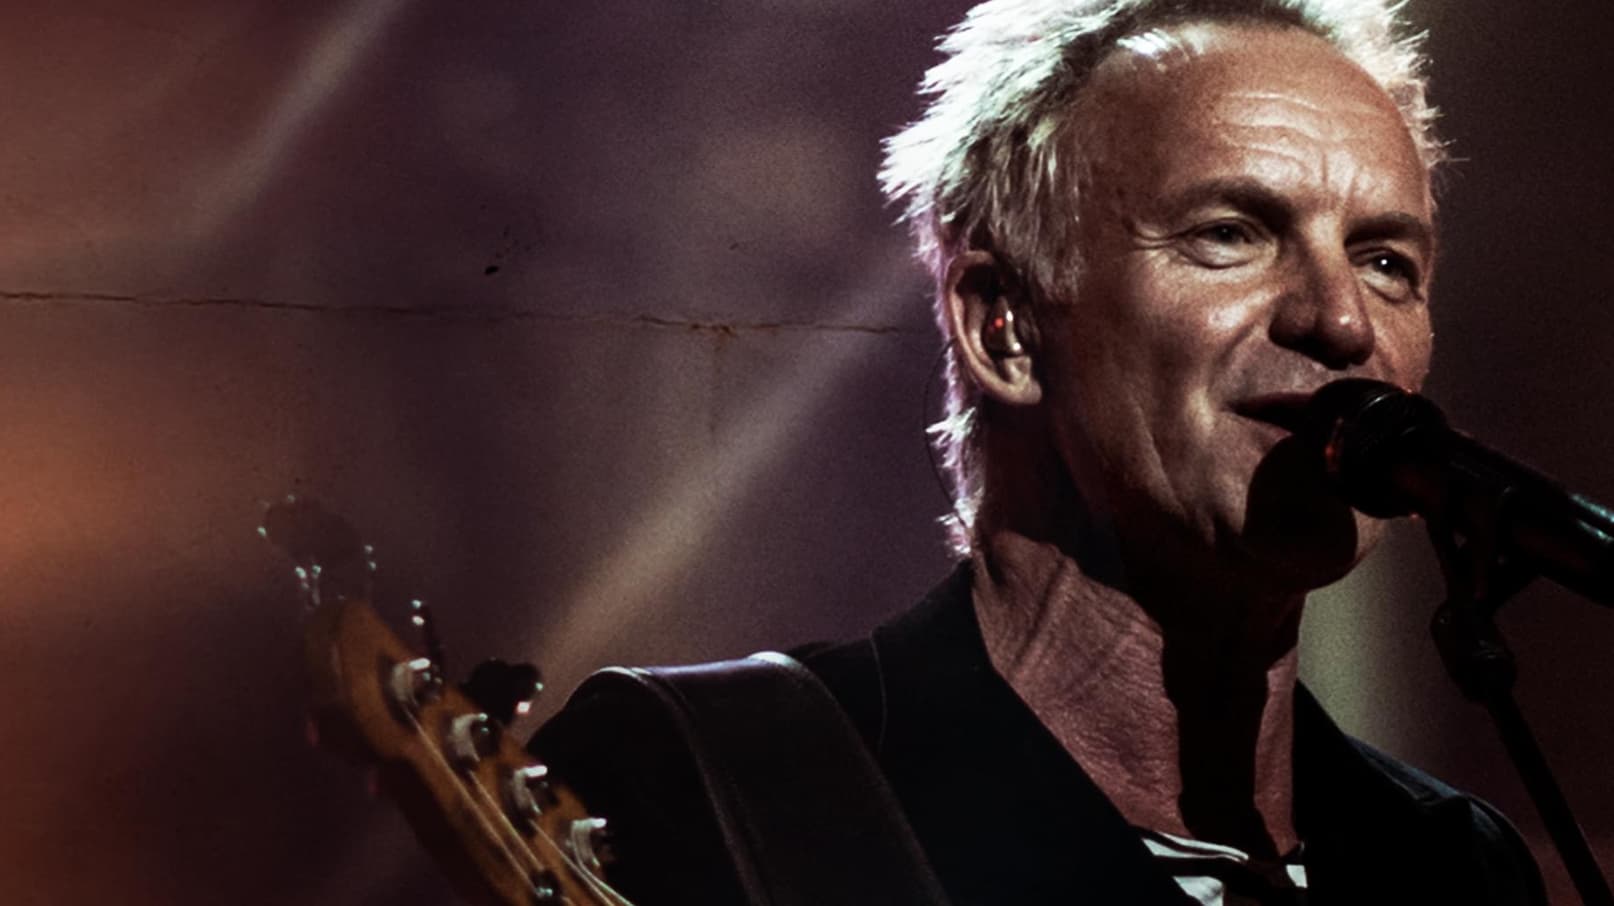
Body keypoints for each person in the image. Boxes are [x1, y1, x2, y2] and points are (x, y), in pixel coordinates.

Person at [534, 1, 1549, 903]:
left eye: (1386, 261)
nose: (1342, 321)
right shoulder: (707, 778)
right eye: (1230, 233)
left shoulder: (1453, 865)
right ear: (1005, 328)